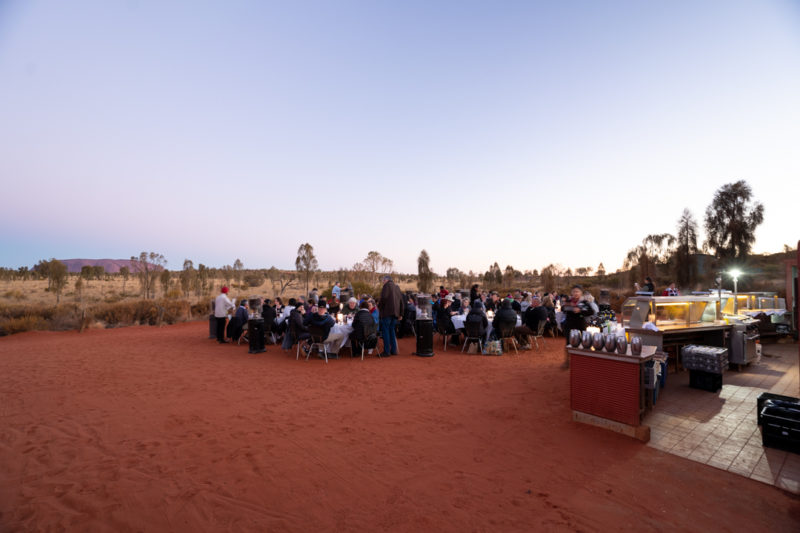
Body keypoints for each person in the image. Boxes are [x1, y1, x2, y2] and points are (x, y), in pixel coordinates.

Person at [561, 285, 595, 369]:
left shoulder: (584, 302)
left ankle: (581, 362)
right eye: (574, 291)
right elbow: (562, 309)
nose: (575, 293)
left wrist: (580, 310)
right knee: (568, 343)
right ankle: (567, 362)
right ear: (571, 293)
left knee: (582, 344)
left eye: (577, 291)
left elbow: (591, 312)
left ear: (581, 293)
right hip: (569, 326)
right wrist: (567, 305)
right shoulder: (569, 301)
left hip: (581, 326)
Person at [378, 274, 404, 357]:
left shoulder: (386, 286)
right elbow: (401, 301)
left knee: (386, 332)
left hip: (387, 313)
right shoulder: (397, 287)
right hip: (395, 314)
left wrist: (379, 307)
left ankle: (387, 351)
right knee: (392, 331)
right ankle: (394, 350)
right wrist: (401, 313)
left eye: (383, 280)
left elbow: (384, 298)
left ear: (386, 280)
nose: (383, 282)